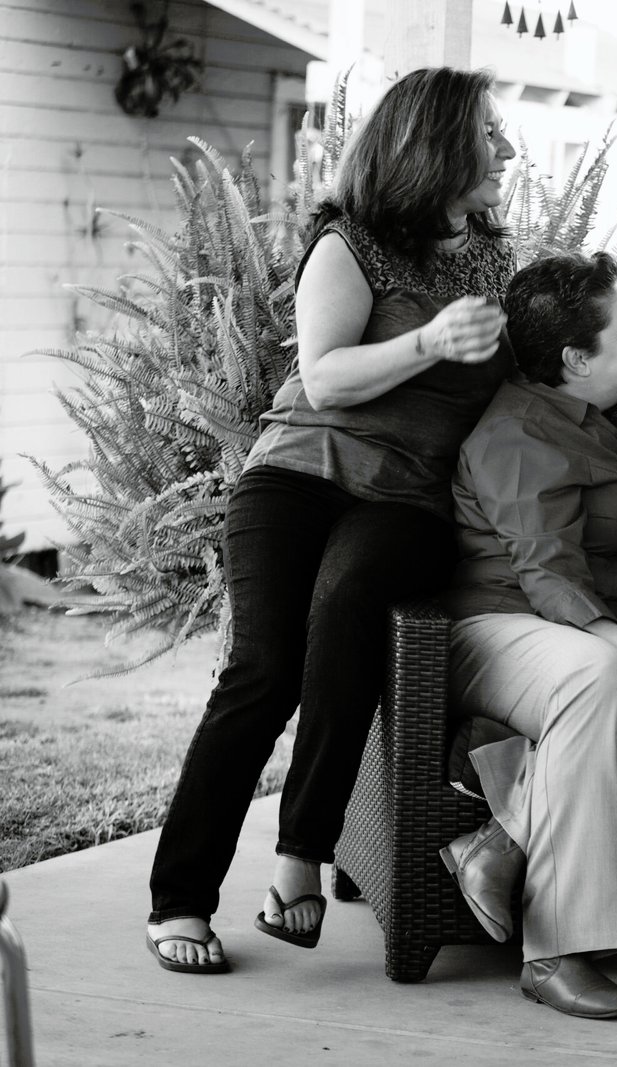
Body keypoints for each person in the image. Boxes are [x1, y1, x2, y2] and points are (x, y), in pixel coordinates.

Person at [144, 67, 516, 973]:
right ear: (437, 145)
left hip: (407, 501)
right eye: (489, 132)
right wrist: (429, 340)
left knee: (348, 599)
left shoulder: (491, 259)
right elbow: (324, 375)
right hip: (295, 479)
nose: (507, 149)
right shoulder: (351, 243)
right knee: (264, 670)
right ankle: (180, 898)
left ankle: (299, 856)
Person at [440, 251, 617, 1020]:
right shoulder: (516, 433)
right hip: (498, 629)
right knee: (603, 676)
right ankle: (556, 950)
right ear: (575, 358)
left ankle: (504, 838)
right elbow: (548, 581)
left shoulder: (595, 421)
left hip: (572, 641)